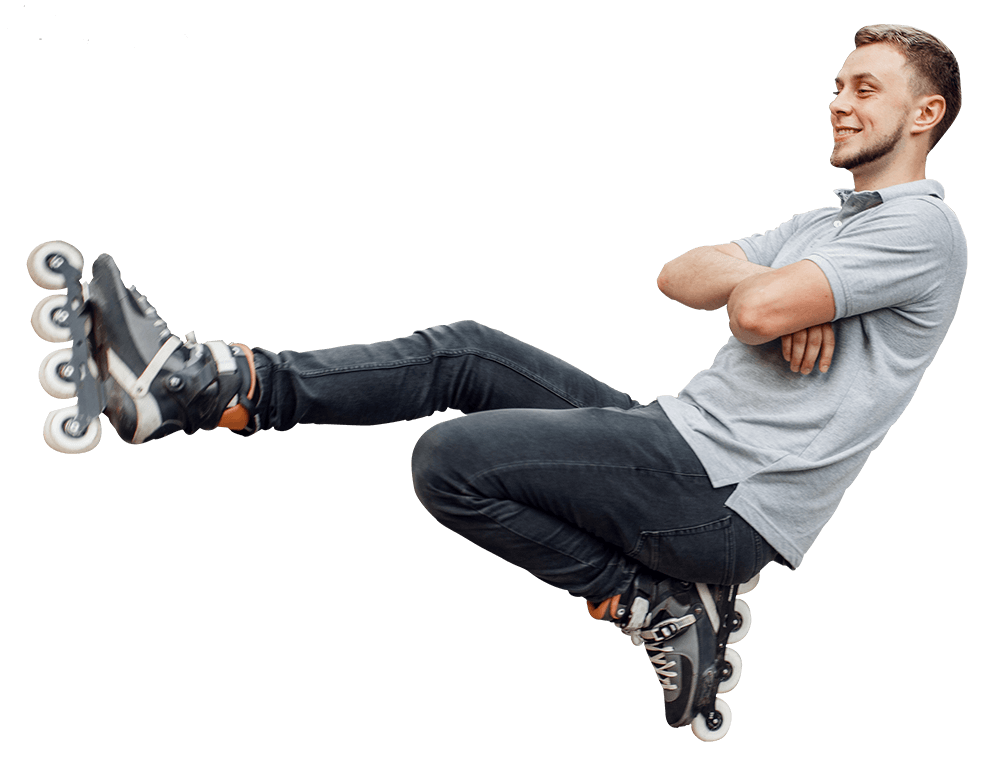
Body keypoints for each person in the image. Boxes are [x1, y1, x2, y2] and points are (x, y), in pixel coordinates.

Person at [33, 23, 965, 738]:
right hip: (676, 438)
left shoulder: (923, 229)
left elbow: (752, 311)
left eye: (865, 88)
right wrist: (796, 288)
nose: (839, 102)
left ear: (924, 114)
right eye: (838, 85)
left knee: (452, 463)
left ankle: (649, 599)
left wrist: (780, 297)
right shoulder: (825, 224)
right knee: (467, 350)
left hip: (725, 498)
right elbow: (679, 275)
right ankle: (207, 385)